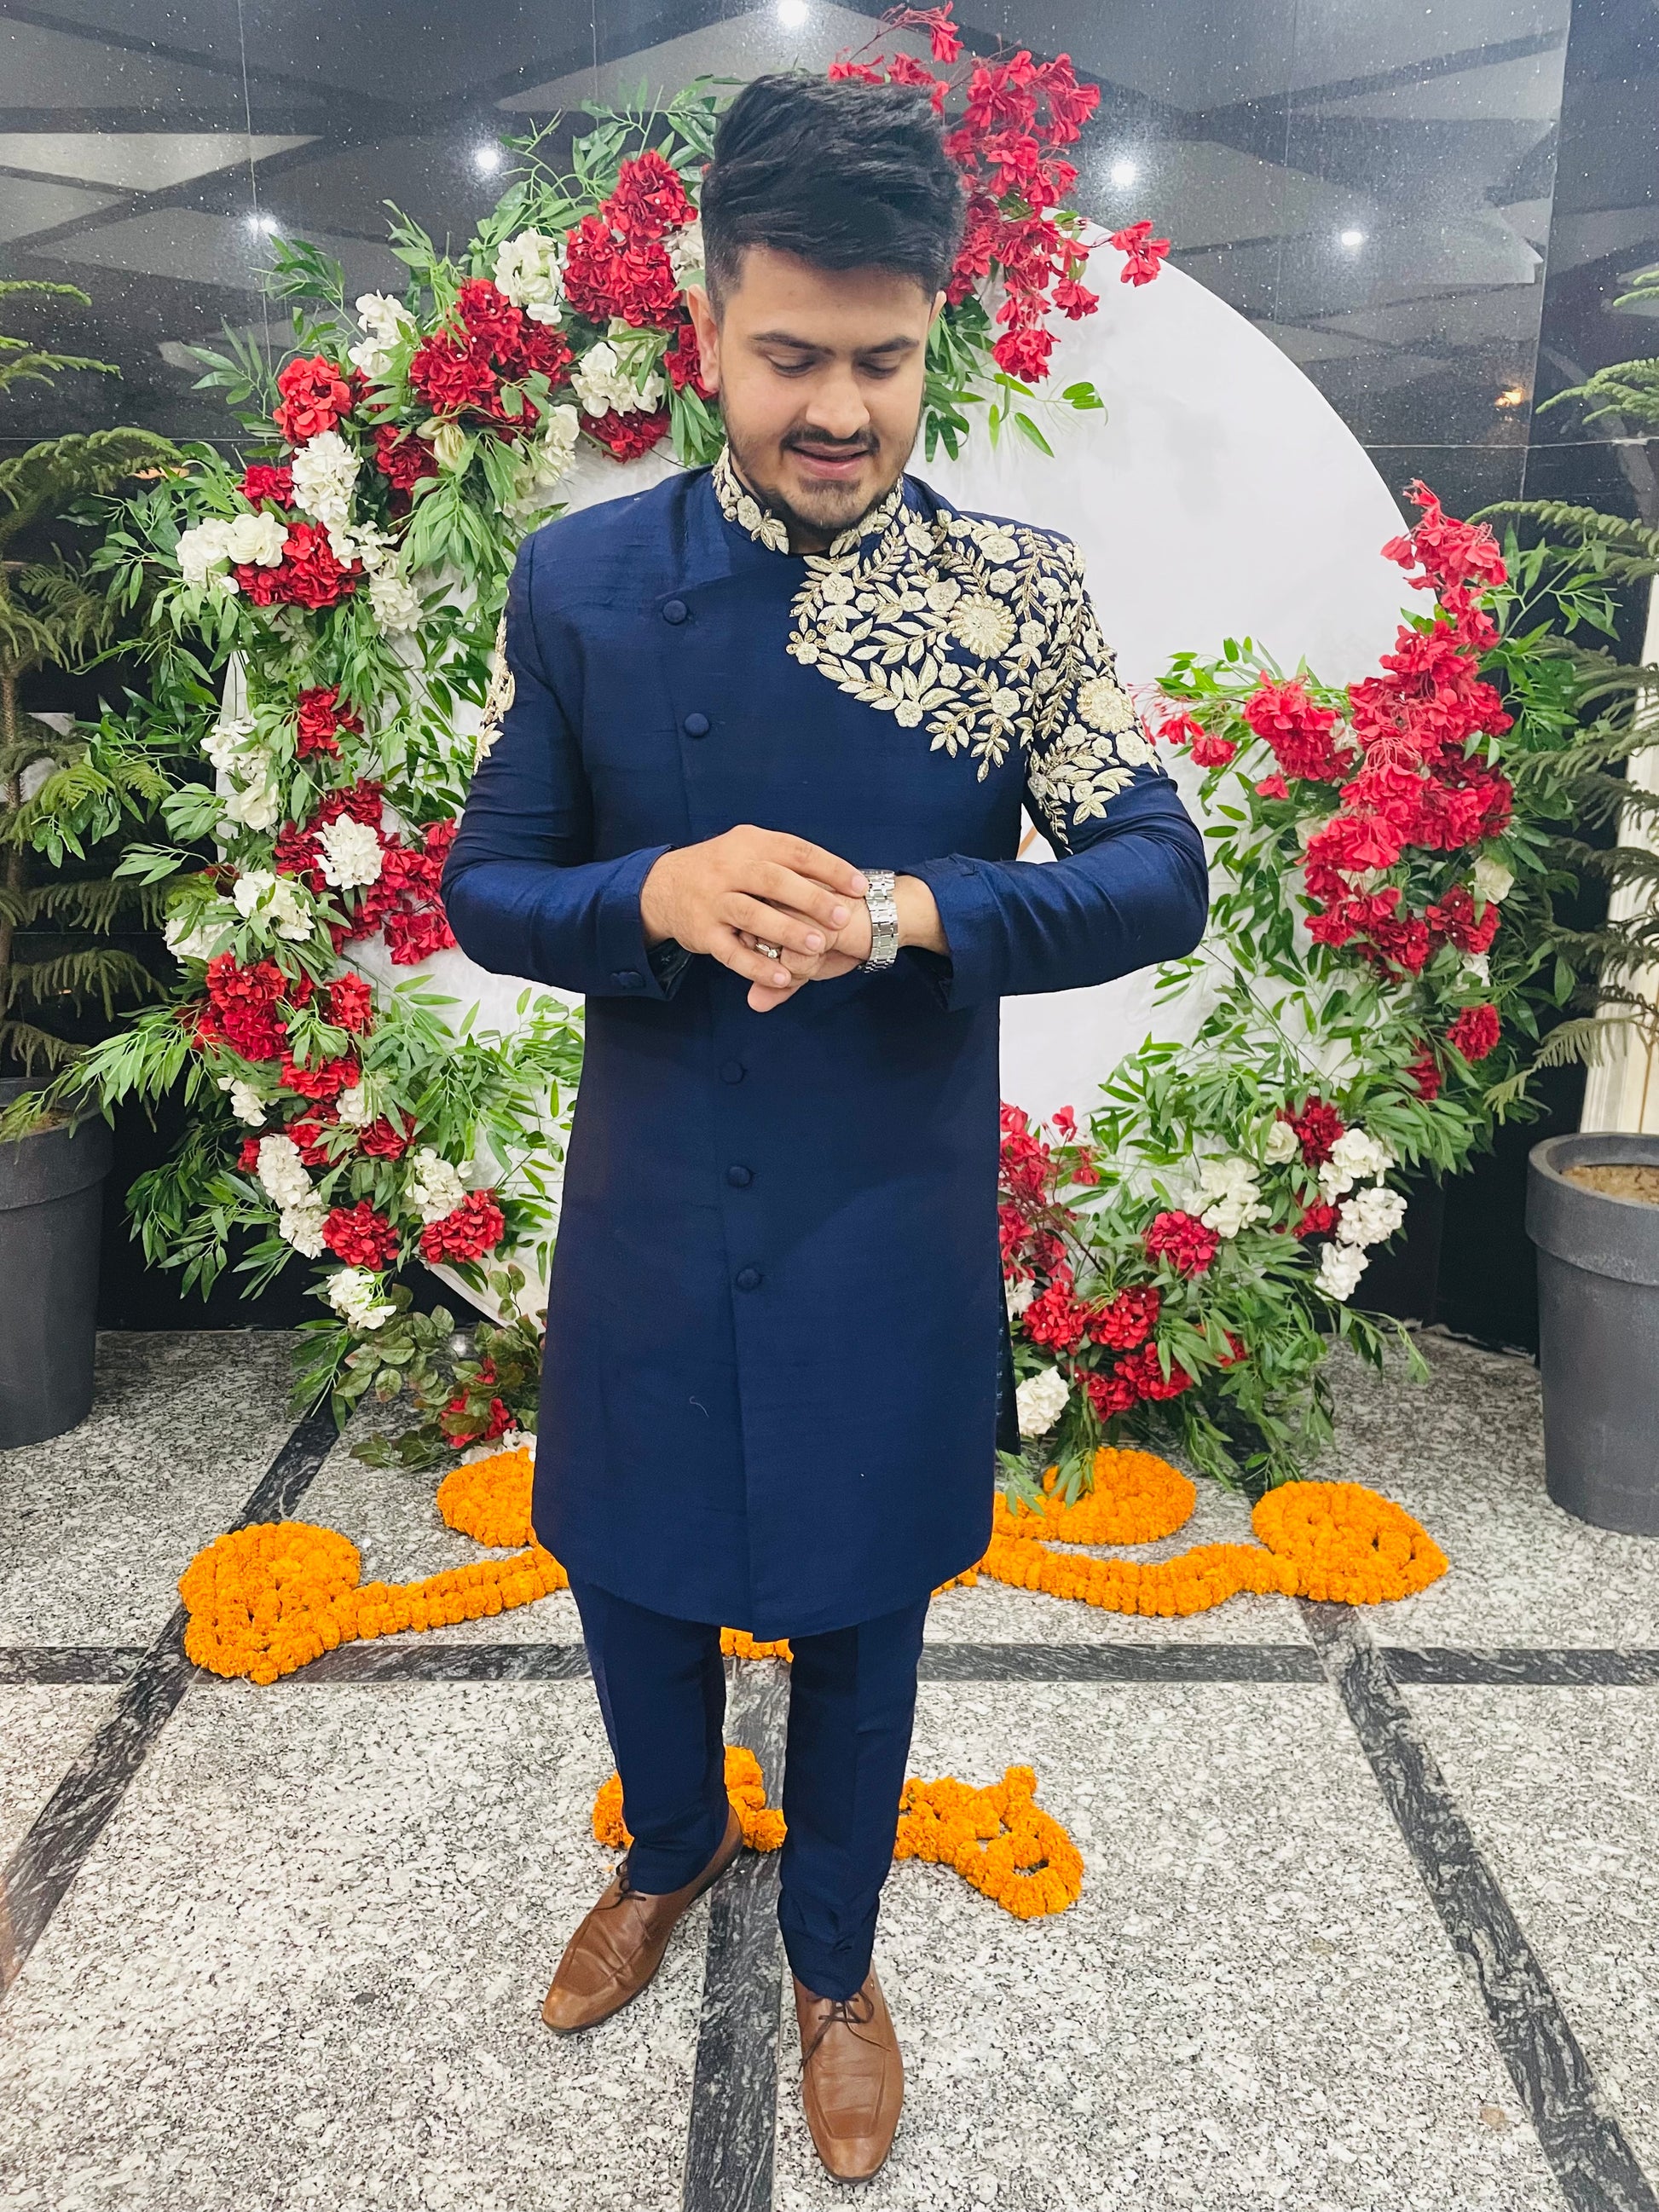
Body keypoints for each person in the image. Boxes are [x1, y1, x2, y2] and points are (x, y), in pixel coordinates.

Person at [442, 71, 1207, 2184]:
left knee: (869, 1602)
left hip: (885, 1203)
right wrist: (652, 891)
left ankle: (838, 1960)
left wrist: (911, 910)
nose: (840, 409)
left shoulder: (1010, 595)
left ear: (934, 332)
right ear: (703, 331)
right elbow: (485, 885)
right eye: (792, 356)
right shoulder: (581, 583)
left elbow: (1158, 871)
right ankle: (672, 1845)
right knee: (627, 1567)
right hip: (657, 1204)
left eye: (883, 359)